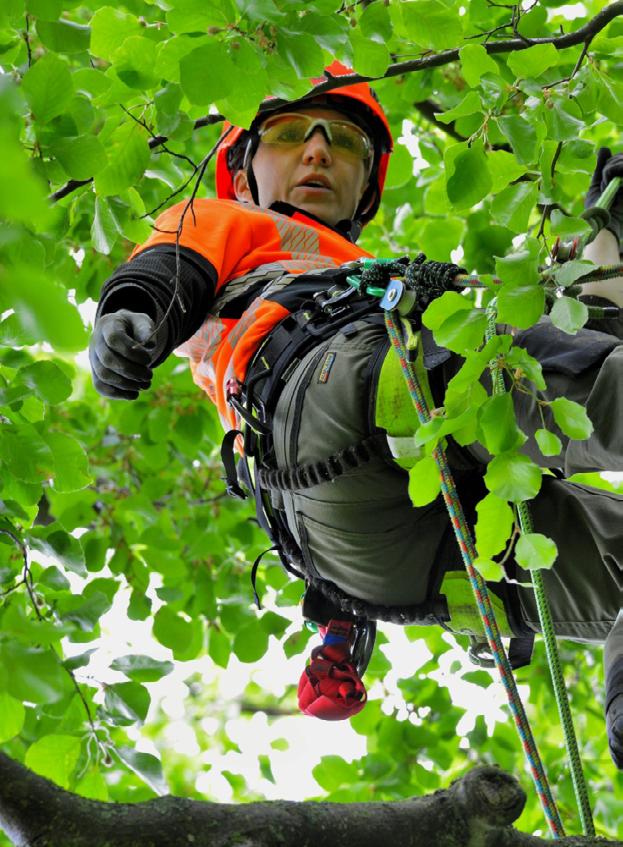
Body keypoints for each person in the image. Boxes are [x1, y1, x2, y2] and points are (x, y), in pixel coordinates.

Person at [89, 63, 623, 754]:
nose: (316, 151)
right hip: (335, 386)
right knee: (521, 361)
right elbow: (170, 267)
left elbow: (566, 354)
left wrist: (600, 259)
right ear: (244, 170)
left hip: (370, 546)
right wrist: (130, 315)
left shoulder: (382, 274)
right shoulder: (230, 220)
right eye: (288, 134)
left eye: (342, 142)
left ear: (365, 185)